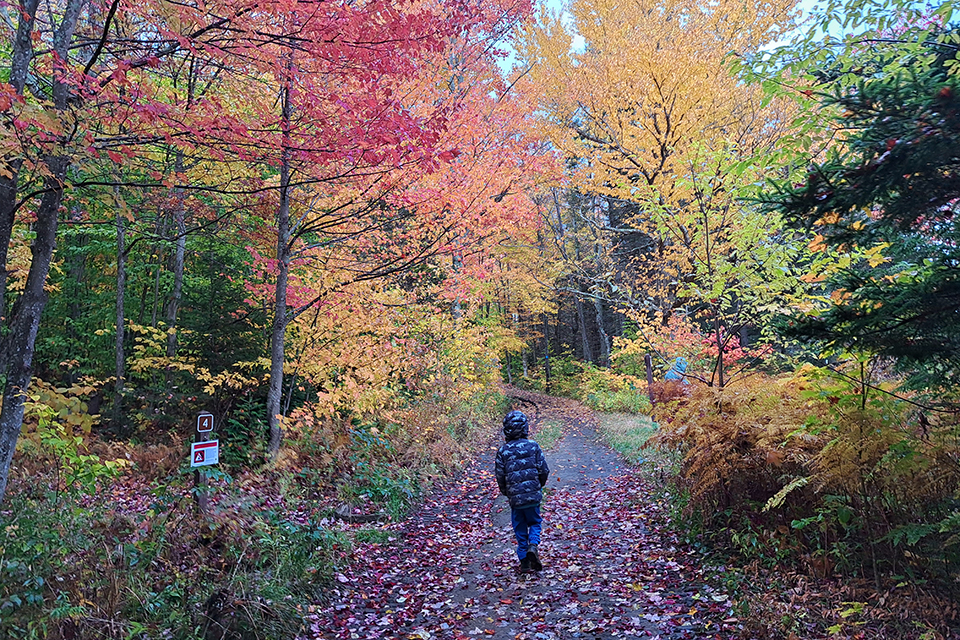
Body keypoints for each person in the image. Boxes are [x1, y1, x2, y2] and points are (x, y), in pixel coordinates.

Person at [495, 409, 550, 573]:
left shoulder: (503, 451)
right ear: (526, 428)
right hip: (532, 496)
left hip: (515, 500)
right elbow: (544, 470)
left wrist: (507, 492)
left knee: (519, 527)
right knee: (535, 522)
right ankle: (533, 546)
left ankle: (524, 561)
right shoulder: (533, 446)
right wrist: (538, 485)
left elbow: (500, 476)